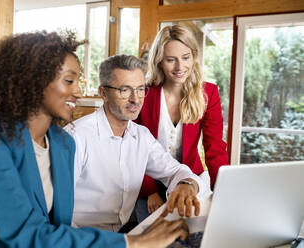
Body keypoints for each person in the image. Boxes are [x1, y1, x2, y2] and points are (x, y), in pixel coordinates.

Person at [0, 32, 188, 248]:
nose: (77, 91)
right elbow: (23, 231)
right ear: (34, 81)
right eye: (69, 81)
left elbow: (58, 225)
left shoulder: (63, 143)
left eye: (77, 81)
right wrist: (132, 242)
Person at [65, 54, 207, 234]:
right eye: (125, 90)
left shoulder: (141, 136)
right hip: (79, 237)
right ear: (103, 93)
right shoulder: (76, 136)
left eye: (140, 89)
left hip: (121, 234)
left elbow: (175, 171)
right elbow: (56, 209)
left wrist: (187, 184)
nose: (135, 99)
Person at [134, 24, 229, 222]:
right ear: (159, 61)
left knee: (194, 231)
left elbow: (214, 147)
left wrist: (223, 190)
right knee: (152, 233)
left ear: (194, 57)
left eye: (186, 58)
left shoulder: (208, 93)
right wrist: (150, 190)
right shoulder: (145, 93)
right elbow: (135, 147)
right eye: (171, 60)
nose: (180, 67)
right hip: (148, 182)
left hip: (191, 180)